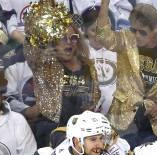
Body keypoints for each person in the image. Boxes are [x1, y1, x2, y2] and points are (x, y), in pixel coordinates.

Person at [93, 0, 157, 144]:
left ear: (156, 29)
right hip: (124, 119)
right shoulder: (126, 39)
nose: (136, 35)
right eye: (133, 30)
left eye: (142, 32)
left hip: (156, 123)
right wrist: (105, 4)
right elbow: (102, 36)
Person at [23, 0, 101, 147]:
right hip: (53, 131)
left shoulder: (88, 66)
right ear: (52, 42)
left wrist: (91, 107)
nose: (69, 43)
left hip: (82, 130)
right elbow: (29, 45)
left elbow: (95, 97)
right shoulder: (46, 66)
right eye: (62, 38)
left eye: (73, 38)